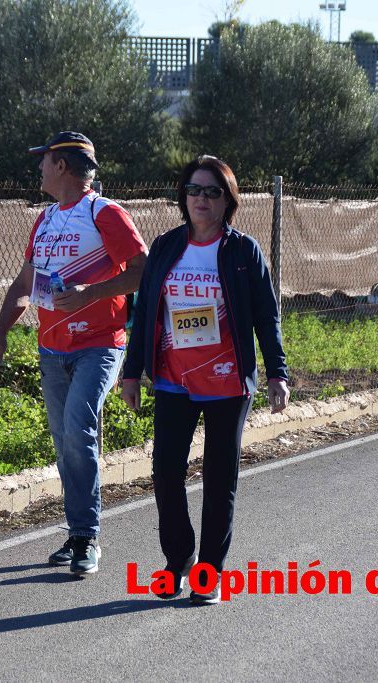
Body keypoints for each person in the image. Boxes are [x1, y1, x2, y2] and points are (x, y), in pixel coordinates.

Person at [121, 155, 289, 605]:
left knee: (220, 478)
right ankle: (177, 563)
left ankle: (209, 573)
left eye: (212, 191)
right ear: (183, 197)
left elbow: (266, 316)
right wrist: (131, 372)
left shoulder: (242, 251)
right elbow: (146, 313)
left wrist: (277, 372)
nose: (201, 198)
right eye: (194, 190)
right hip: (174, 379)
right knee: (166, 472)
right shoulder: (165, 247)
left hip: (227, 382)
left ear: (227, 200)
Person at [0, 131, 147, 577]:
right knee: (64, 441)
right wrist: (0, 334)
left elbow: (143, 271)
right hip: (51, 349)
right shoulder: (45, 219)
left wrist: (90, 293)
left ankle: (89, 535)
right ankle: (77, 534)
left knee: (78, 430)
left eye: (45, 160)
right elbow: (24, 285)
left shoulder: (105, 213)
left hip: (100, 344)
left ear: (64, 166)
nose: (38, 168)